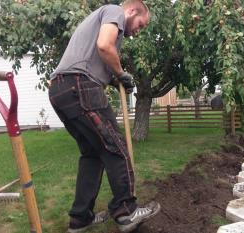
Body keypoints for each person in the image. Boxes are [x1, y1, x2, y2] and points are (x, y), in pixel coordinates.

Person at [48, 1, 160, 232]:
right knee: (115, 147)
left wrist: (114, 79)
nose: (138, 31)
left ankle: (80, 218)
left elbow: (95, 61)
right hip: (79, 86)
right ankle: (126, 211)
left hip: (61, 90)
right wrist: (120, 72)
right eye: (141, 24)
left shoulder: (99, 21)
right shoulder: (115, 11)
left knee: (92, 155)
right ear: (131, 11)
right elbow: (104, 46)